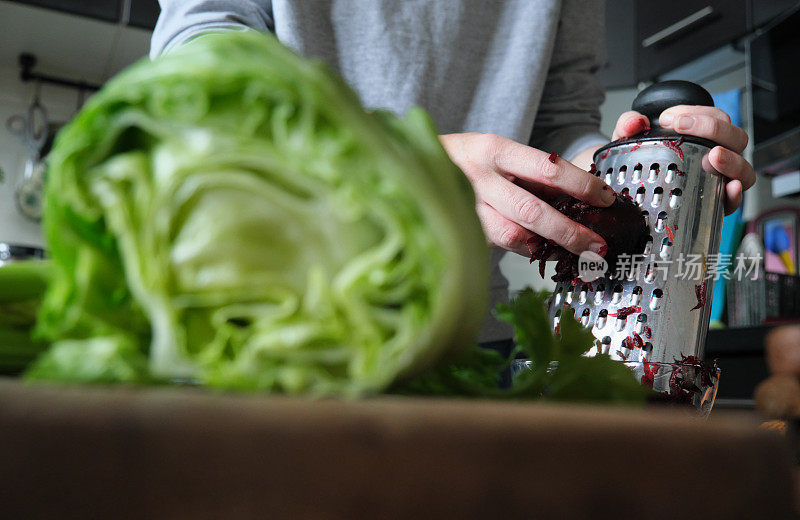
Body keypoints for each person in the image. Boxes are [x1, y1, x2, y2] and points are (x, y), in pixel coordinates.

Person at [151, 1, 755, 347]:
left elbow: (560, 119)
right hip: (269, 329)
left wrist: (643, 172)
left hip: (468, 334)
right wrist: (405, 163)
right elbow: (198, 75)